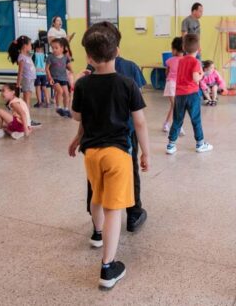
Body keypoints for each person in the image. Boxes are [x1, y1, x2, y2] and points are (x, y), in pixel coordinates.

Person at [67, 21, 151, 290]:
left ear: (88, 57)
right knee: (114, 208)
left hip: (91, 153)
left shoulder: (83, 84)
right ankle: (108, 267)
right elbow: (140, 123)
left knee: (97, 196)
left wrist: (77, 88)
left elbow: (76, 115)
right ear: (117, 52)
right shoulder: (127, 84)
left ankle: (97, 232)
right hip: (118, 154)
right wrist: (146, 153)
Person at [80, 25, 149, 234]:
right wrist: (146, 151)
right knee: (129, 172)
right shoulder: (130, 68)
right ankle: (133, 213)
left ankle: (97, 226)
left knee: (96, 178)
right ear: (117, 46)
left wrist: (78, 136)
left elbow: (82, 112)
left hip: (94, 136)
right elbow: (139, 111)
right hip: (124, 135)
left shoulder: (91, 70)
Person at [166, 33, 213, 155]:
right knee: (195, 119)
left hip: (179, 95)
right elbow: (195, 78)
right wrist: (202, 74)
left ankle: (171, 145)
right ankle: (200, 144)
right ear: (198, 49)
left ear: (184, 48)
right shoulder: (196, 62)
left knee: (177, 120)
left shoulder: (181, 61)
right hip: (192, 95)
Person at [8, 36, 41, 128]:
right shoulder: (22, 58)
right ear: (24, 46)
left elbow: (33, 53)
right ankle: (27, 121)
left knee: (27, 101)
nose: (31, 46)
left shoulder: (27, 55)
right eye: (30, 44)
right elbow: (20, 72)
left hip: (30, 80)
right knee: (26, 102)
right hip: (27, 80)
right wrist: (18, 84)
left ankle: (27, 119)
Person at [46, 38, 73, 118]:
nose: (54, 50)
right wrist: (50, 78)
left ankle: (66, 109)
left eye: (56, 48)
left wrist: (71, 71)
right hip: (54, 78)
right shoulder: (50, 57)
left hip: (63, 78)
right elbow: (47, 69)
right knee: (60, 91)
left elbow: (68, 66)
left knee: (66, 94)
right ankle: (58, 107)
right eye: (52, 48)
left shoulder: (65, 57)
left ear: (62, 48)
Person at [163, 37, 184, 131]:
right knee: (176, 106)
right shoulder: (185, 60)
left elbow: (166, 73)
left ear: (175, 50)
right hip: (174, 85)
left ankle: (167, 124)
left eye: (172, 49)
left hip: (173, 84)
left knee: (174, 106)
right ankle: (177, 125)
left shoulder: (170, 60)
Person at [32, 40, 50, 108]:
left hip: (37, 74)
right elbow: (48, 64)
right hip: (44, 74)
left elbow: (32, 64)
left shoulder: (34, 55)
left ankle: (39, 102)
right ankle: (47, 102)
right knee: (44, 88)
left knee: (37, 87)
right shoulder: (46, 55)